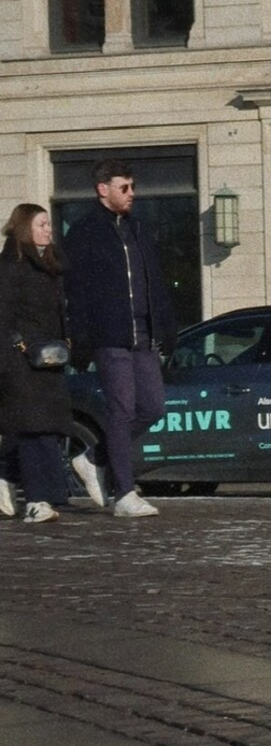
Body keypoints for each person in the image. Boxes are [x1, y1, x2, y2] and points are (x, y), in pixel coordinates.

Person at [62, 162, 174, 518]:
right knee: (121, 410)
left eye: (132, 187)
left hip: (144, 333)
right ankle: (124, 493)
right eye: (124, 187)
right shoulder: (84, 232)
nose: (131, 194)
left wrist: (166, 328)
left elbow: (154, 279)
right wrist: (80, 339)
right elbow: (76, 291)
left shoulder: (138, 227)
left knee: (153, 407)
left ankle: (94, 457)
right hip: (110, 335)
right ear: (102, 189)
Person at [0, 205, 77, 523]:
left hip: (49, 360)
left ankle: (20, 483)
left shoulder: (51, 266)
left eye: (49, 224)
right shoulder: (11, 266)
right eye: (42, 224)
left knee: (48, 429)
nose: (49, 229)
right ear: (25, 228)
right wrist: (12, 355)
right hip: (20, 362)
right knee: (33, 430)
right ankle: (37, 500)